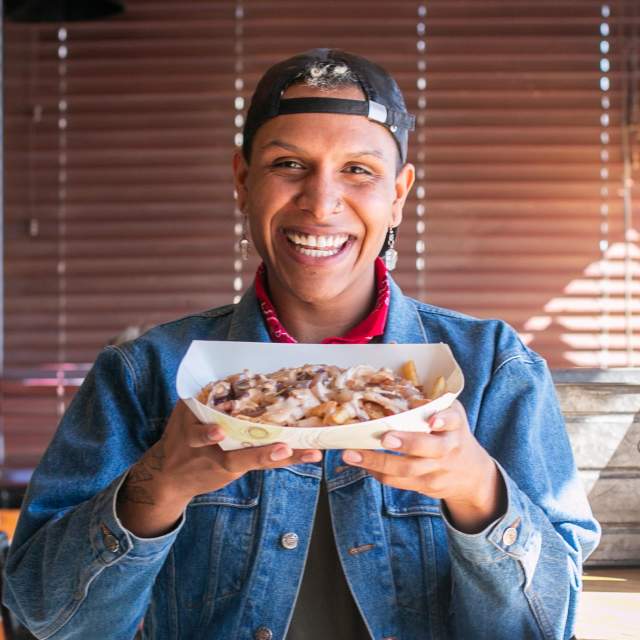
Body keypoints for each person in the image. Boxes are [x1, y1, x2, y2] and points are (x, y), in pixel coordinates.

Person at [3, 48, 600, 640]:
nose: (320, 203)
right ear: (243, 180)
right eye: (289, 164)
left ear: (398, 193)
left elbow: (548, 626)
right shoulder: (143, 374)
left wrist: (480, 493)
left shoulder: (493, 369)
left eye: (358, 171)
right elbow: (42, 619)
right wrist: (156, 486)